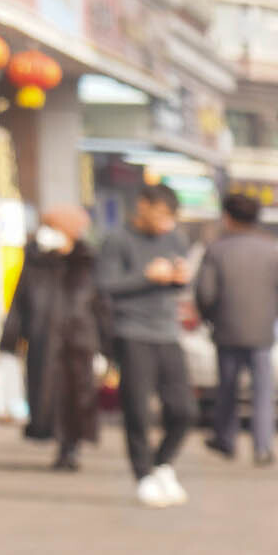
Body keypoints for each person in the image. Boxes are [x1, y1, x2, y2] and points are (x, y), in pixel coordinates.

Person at [95, 178, 201, 505]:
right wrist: (147, 276)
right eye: (161, 215)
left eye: (170, 217)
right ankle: (143, 474)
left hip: (168, 331)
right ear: (143, 206)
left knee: (184, 409)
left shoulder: (175, 239)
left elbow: (177, 285)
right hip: (132, 332)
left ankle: (162, 463)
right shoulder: (117, 240)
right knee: (138, 409)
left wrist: (178, 279)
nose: (165, 224)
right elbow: (105, 285)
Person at [199, 184, 278, 466]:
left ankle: (225, 440)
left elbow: (205, 293)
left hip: (227, 329)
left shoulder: (217, 250)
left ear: (227, 217)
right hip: (262, 330)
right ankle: (263, 447)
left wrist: (210, 317)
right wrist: (273, 314)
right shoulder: (273, 250)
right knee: (263, 391)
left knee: (227, 388)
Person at [12, 204, 104, 455]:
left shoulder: (87, 260)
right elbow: (21, 299)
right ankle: (52, 434)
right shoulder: (36, 260)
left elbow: (101, 304)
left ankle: (70, 446)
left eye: (53, 227)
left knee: (77, 394)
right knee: (47, 393)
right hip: (43, 337)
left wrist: (106, 345)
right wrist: (11, 339)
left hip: (79, 339)